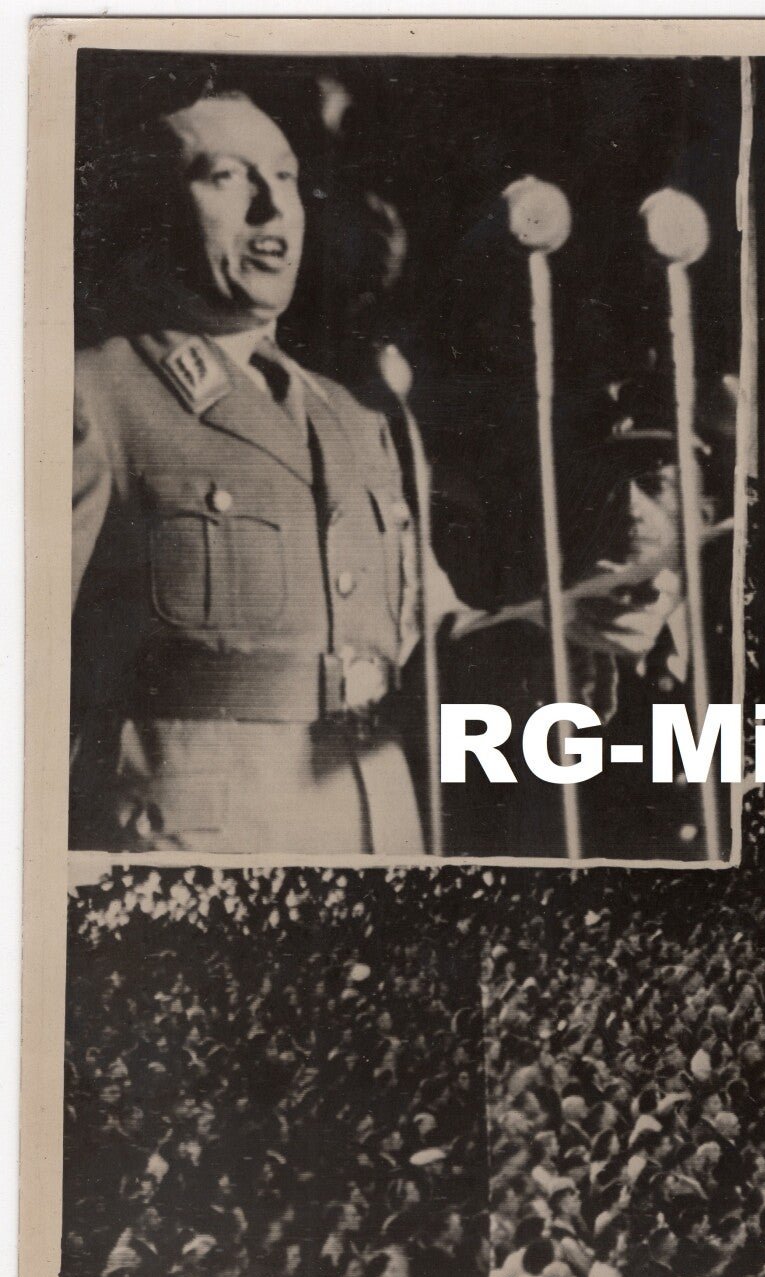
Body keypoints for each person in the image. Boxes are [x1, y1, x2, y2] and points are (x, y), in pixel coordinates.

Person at [69, 80, 670, 853]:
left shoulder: (354, 418)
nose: (271, 207)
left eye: (284, 178)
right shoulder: (91, 396)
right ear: (150, 208)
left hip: (376, 830)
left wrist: (569, 621)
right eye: (226, 176)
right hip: (197, 848)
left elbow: (433, 631)